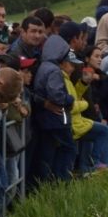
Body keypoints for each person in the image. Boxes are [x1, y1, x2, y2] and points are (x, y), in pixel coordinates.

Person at [32, 34, 77, 181]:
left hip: (45, 119)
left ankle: (45, 184)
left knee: (47, 152)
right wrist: (69, 99)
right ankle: (62, 179)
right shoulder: (54, 70)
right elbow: (56, 95)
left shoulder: (43, 67)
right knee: (69, 148)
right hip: (56, 119)